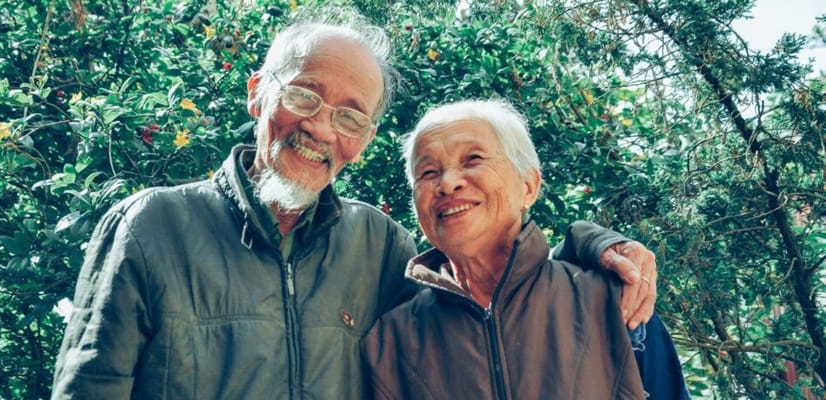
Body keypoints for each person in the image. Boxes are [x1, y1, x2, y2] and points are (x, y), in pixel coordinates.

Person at [52, 8, 661, 400]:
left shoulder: (378, 247)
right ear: (258, 94)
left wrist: (593, 245)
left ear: (364, 139)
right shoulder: (152, 226)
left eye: (349, 115)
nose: (321, 128)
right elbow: (89, 388)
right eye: (305, 96)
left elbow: (492, 301)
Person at [360, 99, 689, 399]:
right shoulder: (391, 341)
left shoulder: (612, 300)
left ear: (528, 186)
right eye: (427, 172)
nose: (447, 183)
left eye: (473, 159)